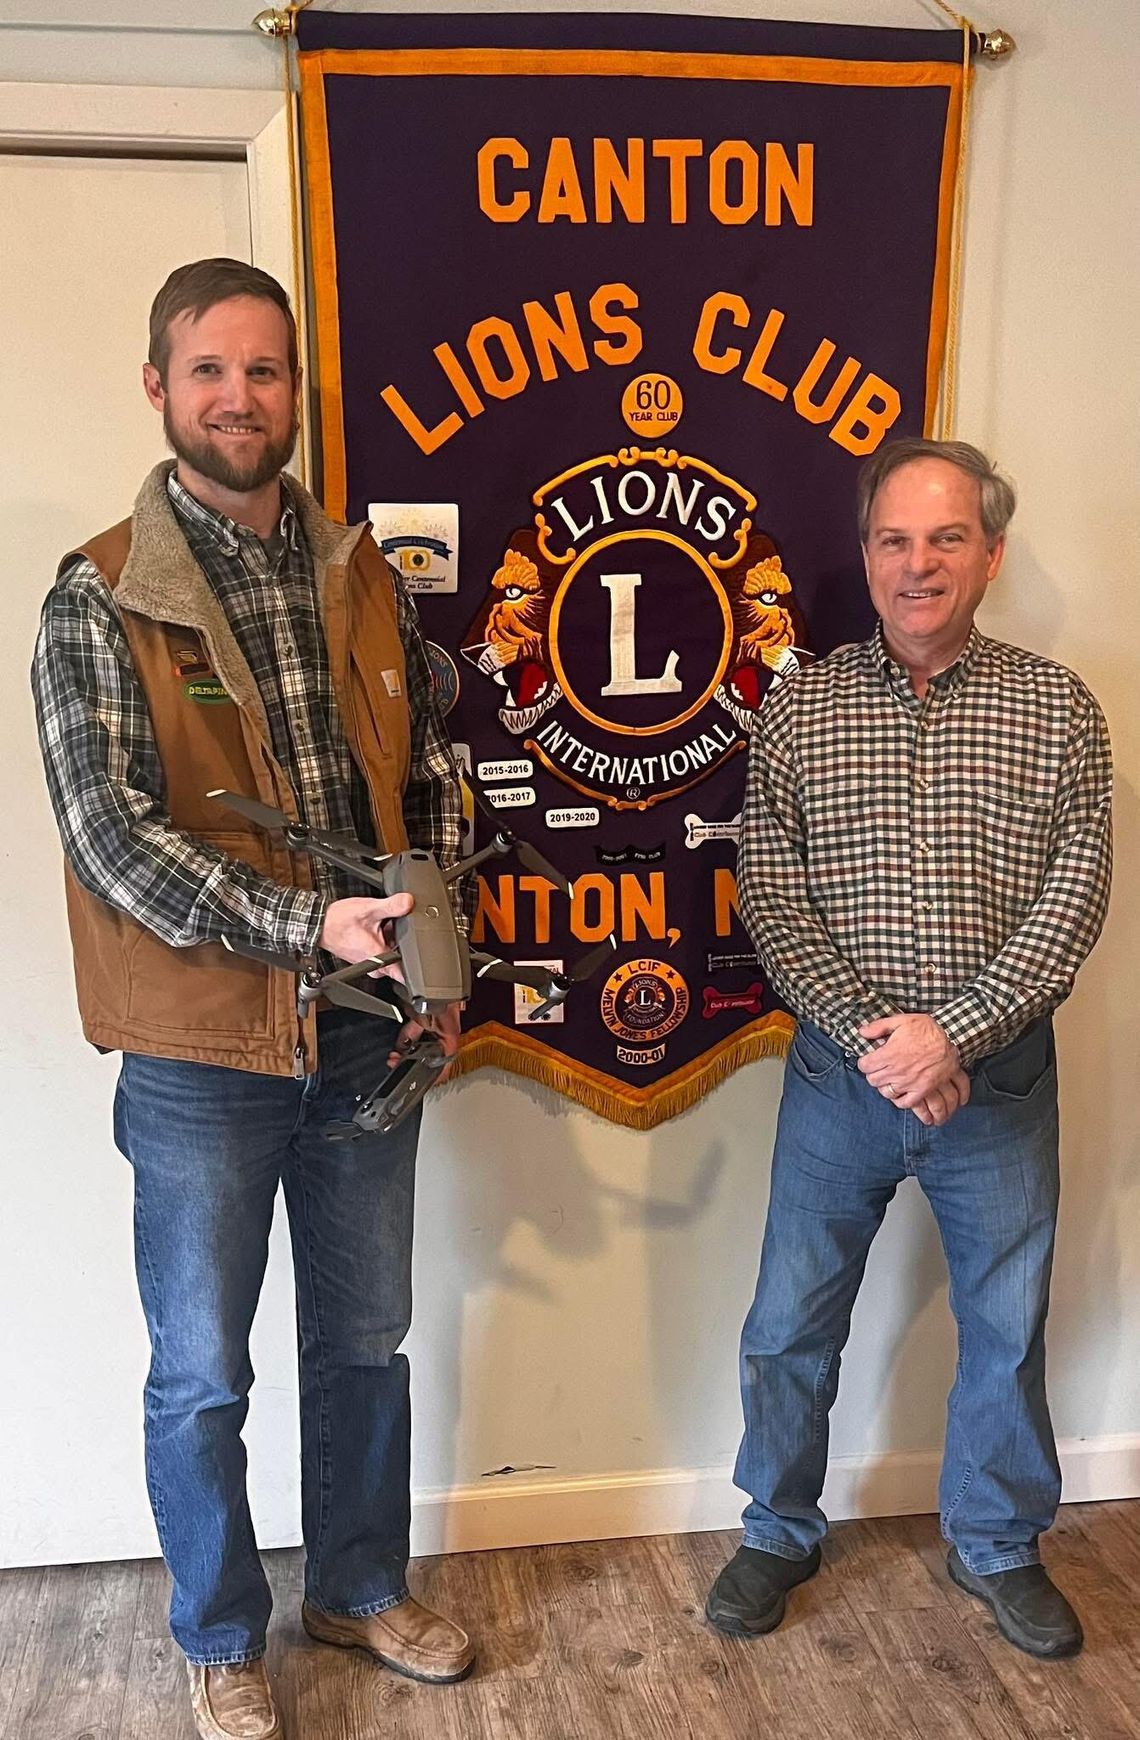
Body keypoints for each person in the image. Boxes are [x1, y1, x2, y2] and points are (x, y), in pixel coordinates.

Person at [32, 259, 473, 1740]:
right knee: (200, 1372)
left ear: (296, 393)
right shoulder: (98, 593)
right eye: (209, 370)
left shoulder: (363, 575)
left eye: (265, 372)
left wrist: (434, 961)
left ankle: (355, 1588)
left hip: (368, 1046)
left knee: (365, 1344)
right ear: (158, 388)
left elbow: (429, 776)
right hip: (199, 1057)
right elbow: (111, 837)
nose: (240, 397)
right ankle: (223, 1633)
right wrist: (309, 926)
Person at [705, 438, 1112, 1660]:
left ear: (990, 553)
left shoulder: (1059, 710)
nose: (917, 563)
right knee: (788, 1324)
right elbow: (769, 890)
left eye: (945, 539)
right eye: (893, 540)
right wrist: (880, 1041)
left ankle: (995, 1543)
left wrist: (957, 1035)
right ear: (867, 554)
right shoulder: (802, 706)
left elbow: (1074, 897)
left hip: (999, 1084)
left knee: (1005, 1327)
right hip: (841, 1080)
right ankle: (778, 1526)